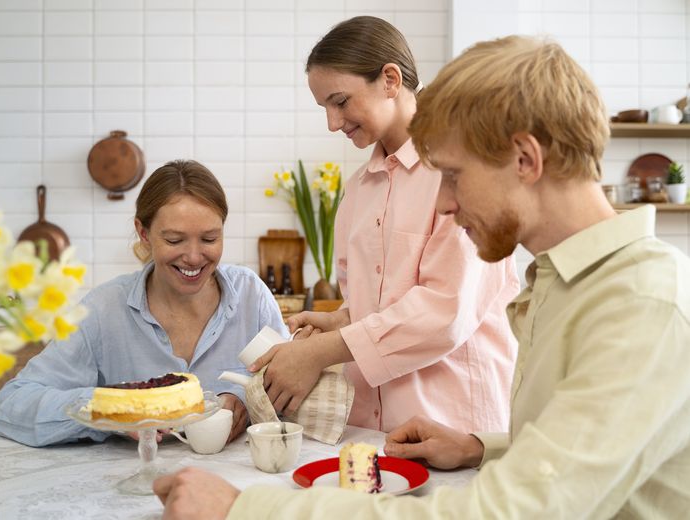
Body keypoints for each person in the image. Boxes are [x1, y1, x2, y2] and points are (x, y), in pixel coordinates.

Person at [153, 35, 690, 519]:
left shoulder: (643, 304)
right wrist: (483, 446)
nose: (445, 203)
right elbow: (586, 453)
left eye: (453, 176)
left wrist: (245, 512)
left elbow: (511, 512)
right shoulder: (562, 284)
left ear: (525, 159)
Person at [251, 15, 519, 434]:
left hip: (455, 426)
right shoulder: (358, 192)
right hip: (373, 433)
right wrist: (340, 321)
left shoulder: (462, 173)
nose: (332, 123)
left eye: (340, 101)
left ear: (391, 80)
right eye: (324, 107)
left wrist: (321, 352)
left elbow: (444, 310)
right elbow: (373, 303)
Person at [0, 160, 288, 447]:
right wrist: (113, 409)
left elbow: (291, 386)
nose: (194, 257)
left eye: (209, 239)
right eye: (174, 240)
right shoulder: (104, 309)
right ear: (144, 234)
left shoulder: (251, 295)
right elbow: (9, 405)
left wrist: (244, 401)